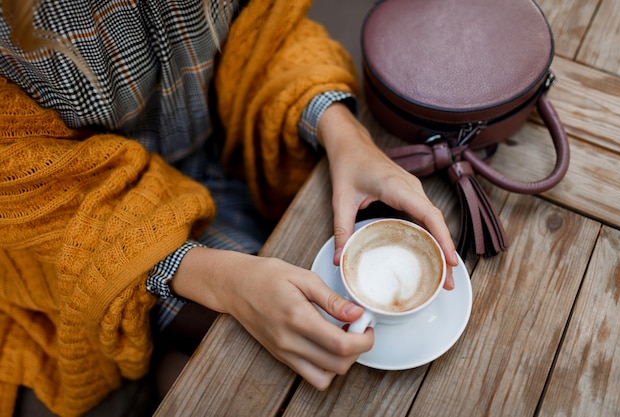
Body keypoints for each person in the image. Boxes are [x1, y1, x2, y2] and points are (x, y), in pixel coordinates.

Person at [0, 0, 458, 415]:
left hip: (236, 149)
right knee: (267, 368)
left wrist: (344, 133)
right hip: (83, 224)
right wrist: (222, 282)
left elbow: (266, 30)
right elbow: (29, 190)